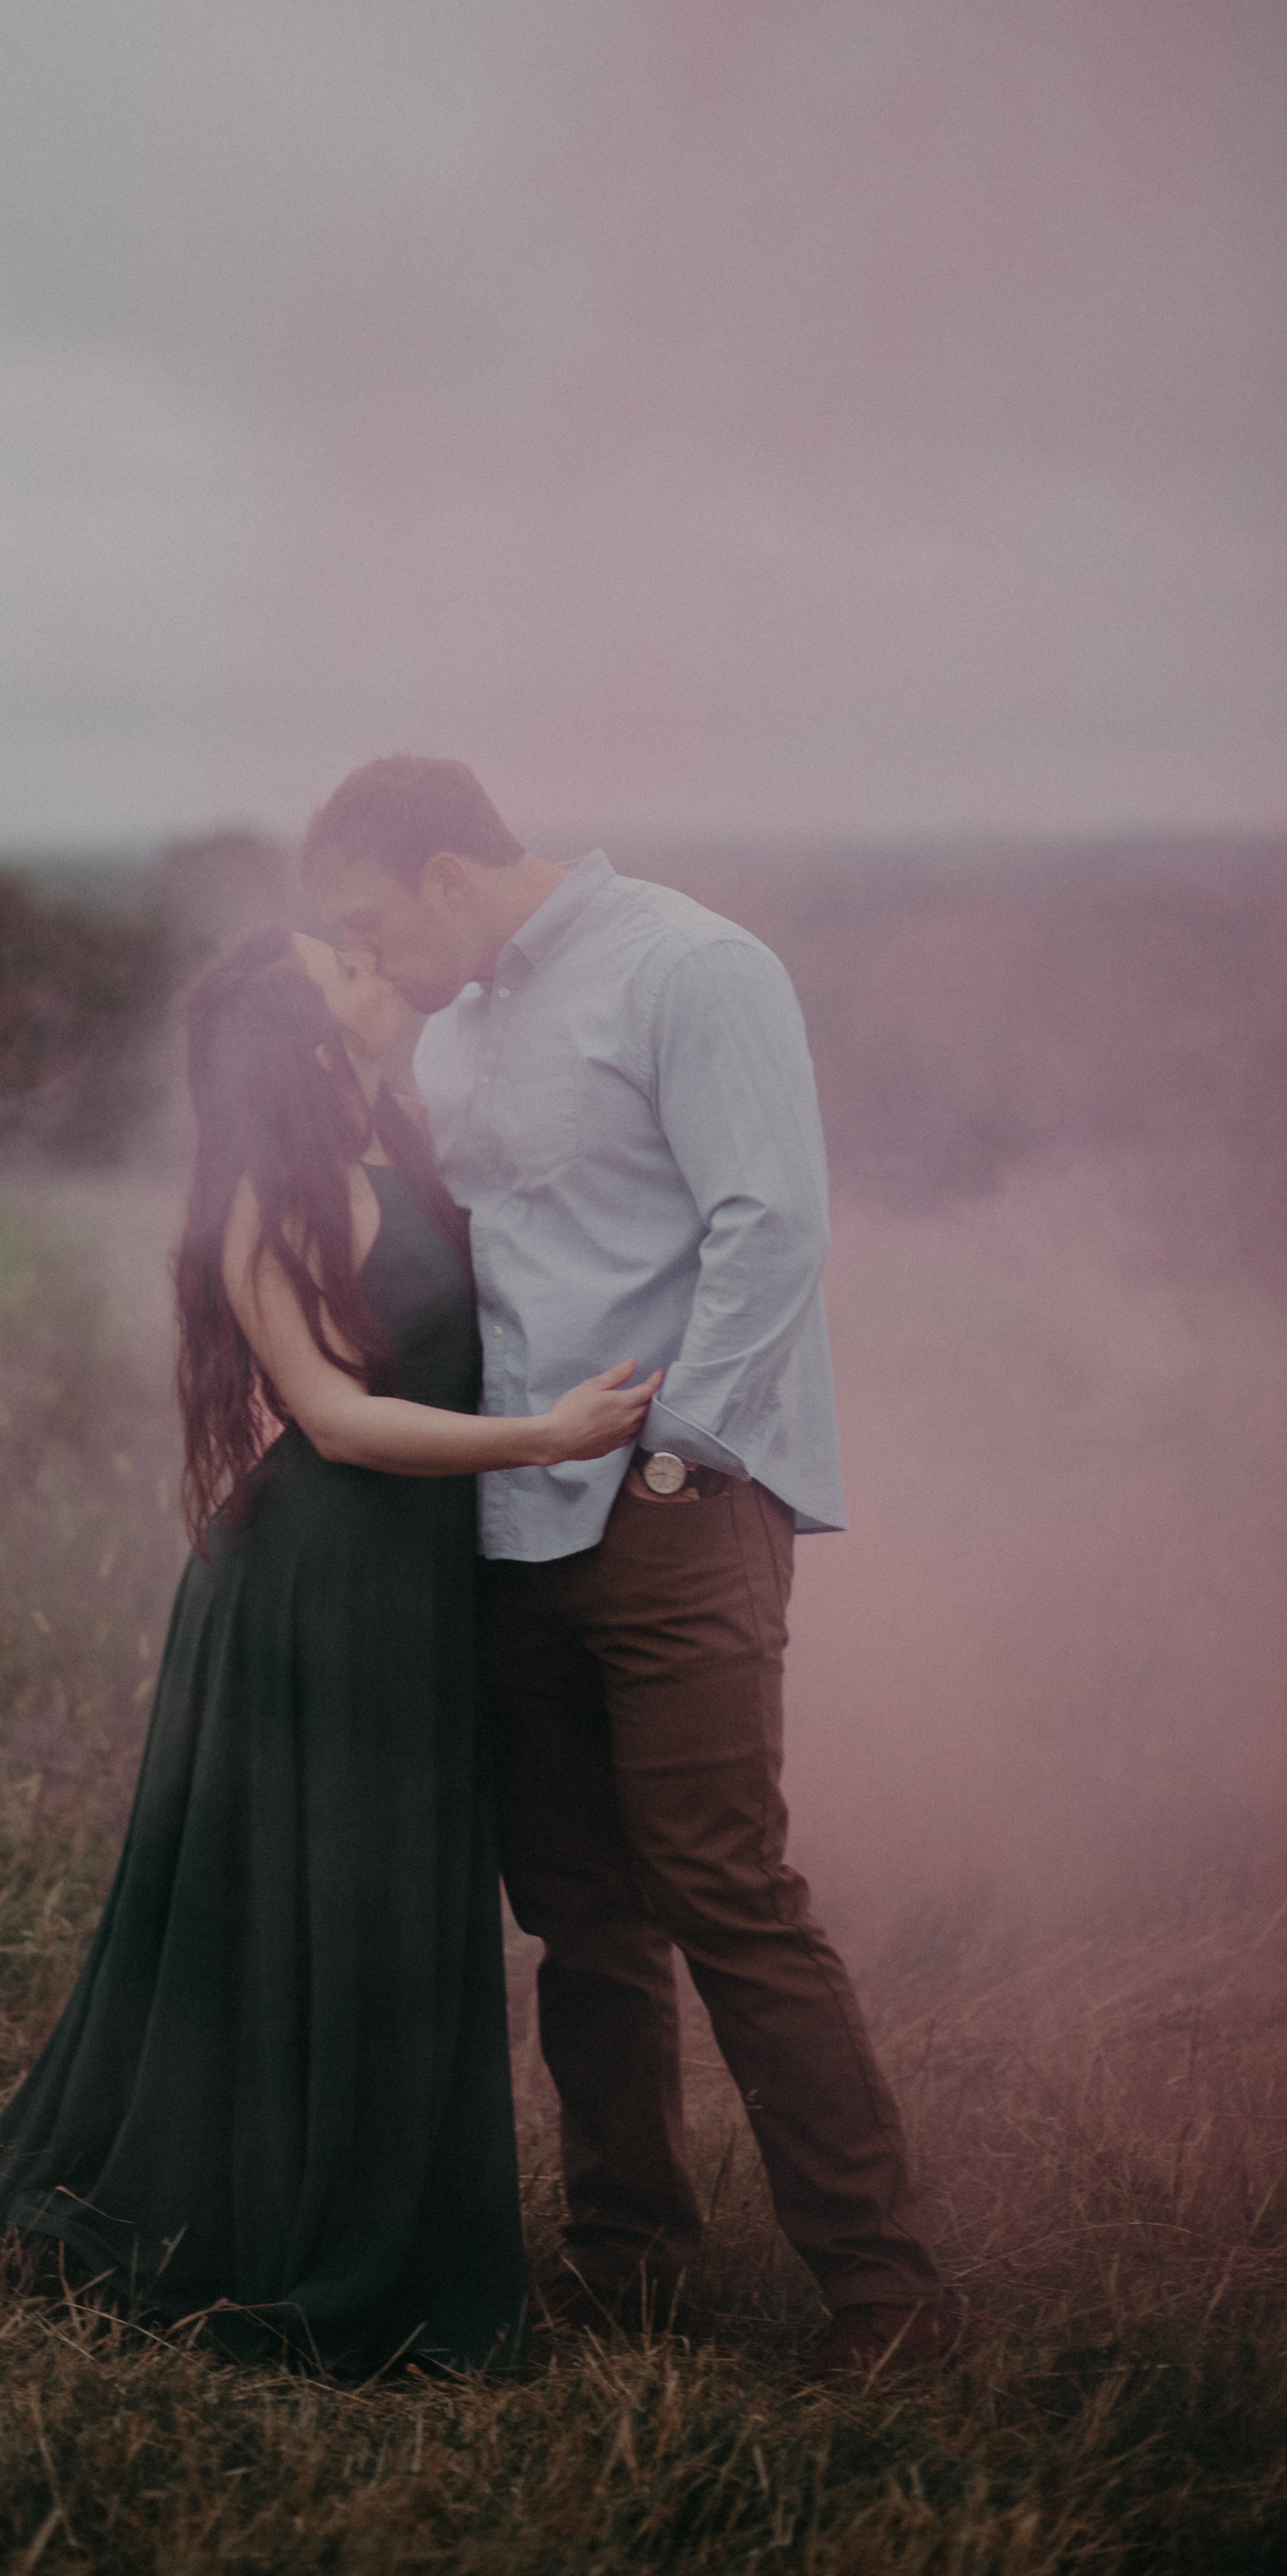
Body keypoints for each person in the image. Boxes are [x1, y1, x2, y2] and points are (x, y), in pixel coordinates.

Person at [0, 921, 659, 2375]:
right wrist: (545, 1438)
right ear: (305, 1037)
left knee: (392, 1904)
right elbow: (334, 1416)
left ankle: (386, 2211)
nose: (372, 963)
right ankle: (302, 2232)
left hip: (411, 1580)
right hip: (321, 1586)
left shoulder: (401, 1133)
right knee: (323, 1906)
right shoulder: (270, 1200)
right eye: (341, 965)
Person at [304, 755, 956, 2377]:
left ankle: (882, 2297)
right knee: (580, 1921)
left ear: (449, 870)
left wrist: (679, 1463)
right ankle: (629, 2264)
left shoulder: (687, 966)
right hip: (512, 1527)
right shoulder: (449, 1032)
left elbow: (770, 1224)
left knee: (724, 1894)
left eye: (377, 925)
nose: (373, 963)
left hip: (674, 1507)